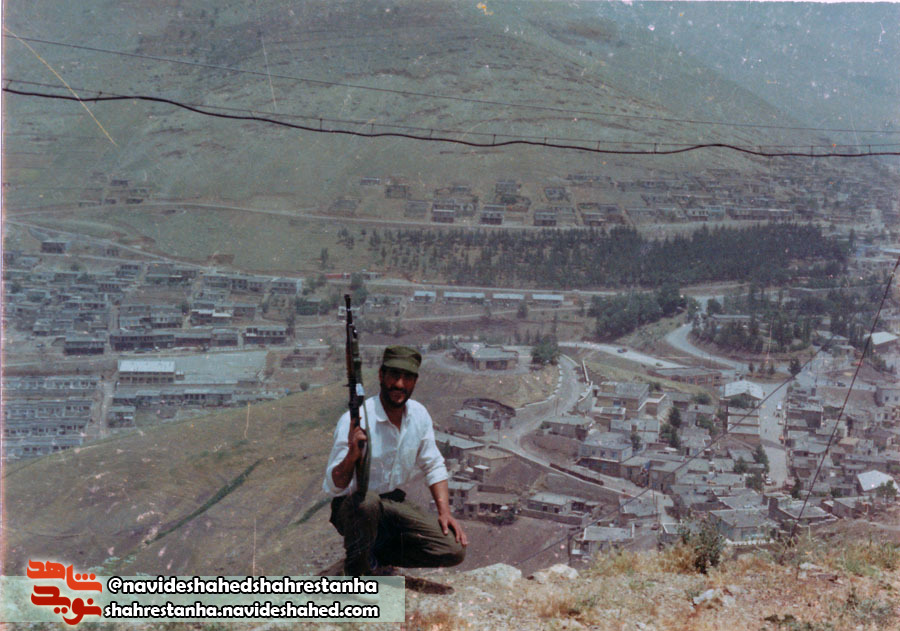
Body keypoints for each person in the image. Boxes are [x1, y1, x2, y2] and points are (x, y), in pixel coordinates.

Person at [323, 345, 467, 576]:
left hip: (391, 504)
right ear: (381, 375)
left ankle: (375, 556)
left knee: (453, 548)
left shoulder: (419, 415)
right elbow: (334, 485)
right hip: (355, 508)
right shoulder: (357, 419)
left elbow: (433, 465)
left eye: (407, 377)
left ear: (415, 381)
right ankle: (356, 576)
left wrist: (445, 512)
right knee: (368, 502)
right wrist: (351, 456)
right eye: (394, 375)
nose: (399, 384)